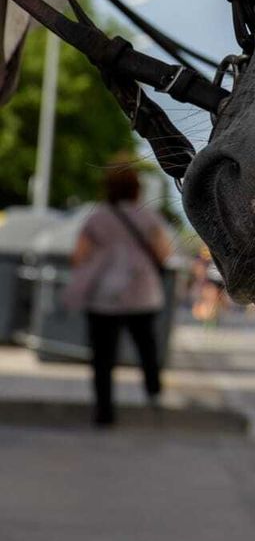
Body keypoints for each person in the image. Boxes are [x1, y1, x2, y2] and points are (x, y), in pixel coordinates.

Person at [68, 159, 174, 427]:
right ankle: (153, 393)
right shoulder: (148, 217)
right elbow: (164, 253)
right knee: (146, 346)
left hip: (104, 295)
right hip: (142, 293)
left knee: (102, 356)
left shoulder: (96, 217)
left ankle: (104, 411)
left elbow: (79, 256)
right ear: (136, 188)